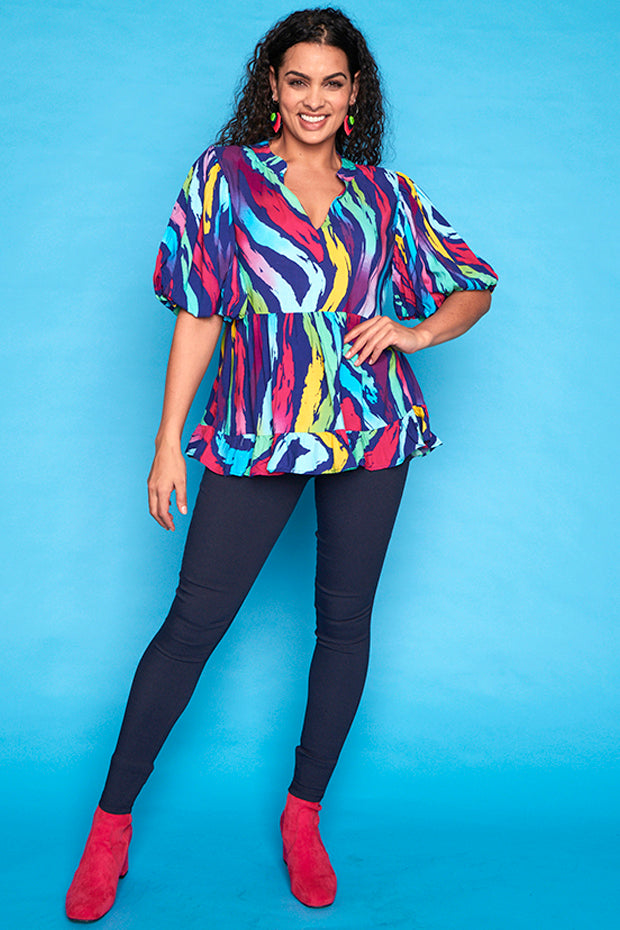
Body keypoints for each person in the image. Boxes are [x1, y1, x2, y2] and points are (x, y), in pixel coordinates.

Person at [65, 6, 497, 921]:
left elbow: (473, 285)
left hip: (372, 426)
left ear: (354, 96)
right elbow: (200, 310)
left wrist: (416, 331)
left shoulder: (387, 194)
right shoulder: (224, 178)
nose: (314, 99)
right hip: (256, 428)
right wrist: (167, 441)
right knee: (193, 624)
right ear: (273, 86)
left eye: (332, 83)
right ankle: (110, 826)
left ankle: (304, 818)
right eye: (298, 80)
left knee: (344, 625)